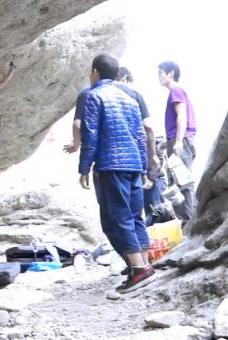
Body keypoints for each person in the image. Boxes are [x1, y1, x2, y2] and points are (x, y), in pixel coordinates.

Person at [78, 53, 155, 293]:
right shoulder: (130, 98)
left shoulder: (93, 96)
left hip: (111, 164)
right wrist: (143, 167)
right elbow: (141, 134)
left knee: (119, 217)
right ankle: (144, 265)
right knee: (135, 216)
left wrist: (84, 168)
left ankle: (138, 270)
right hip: (133, 164)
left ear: (95, 72)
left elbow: (89, 135)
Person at [158, 61, 197, 222]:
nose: (158, 77)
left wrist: (178, 140)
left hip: (181, 140)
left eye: (160, 72)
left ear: (170, 73)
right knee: (177, 182)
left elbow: (182, 116)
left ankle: (189, 223)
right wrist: (167, 143)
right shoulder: (175, 92)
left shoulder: (176, 90)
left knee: (183, 183)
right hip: (177, 140)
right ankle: (186, 221)